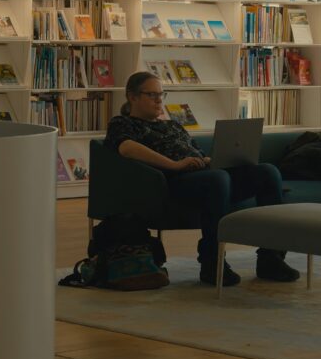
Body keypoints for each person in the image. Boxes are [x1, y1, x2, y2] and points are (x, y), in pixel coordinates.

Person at [104, 71, 297, 286]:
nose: (159, 100)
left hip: (205, 176)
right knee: (218, 179)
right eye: (152, 95)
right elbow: (127, 148)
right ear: (132, 97)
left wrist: (212, 159)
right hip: (171, 183)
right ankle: (211, 261)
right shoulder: (122, 123)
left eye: (162, 94)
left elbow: (196, 151)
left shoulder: (173, 126)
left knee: (266, 172)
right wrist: (175, 165)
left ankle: (270, 258)